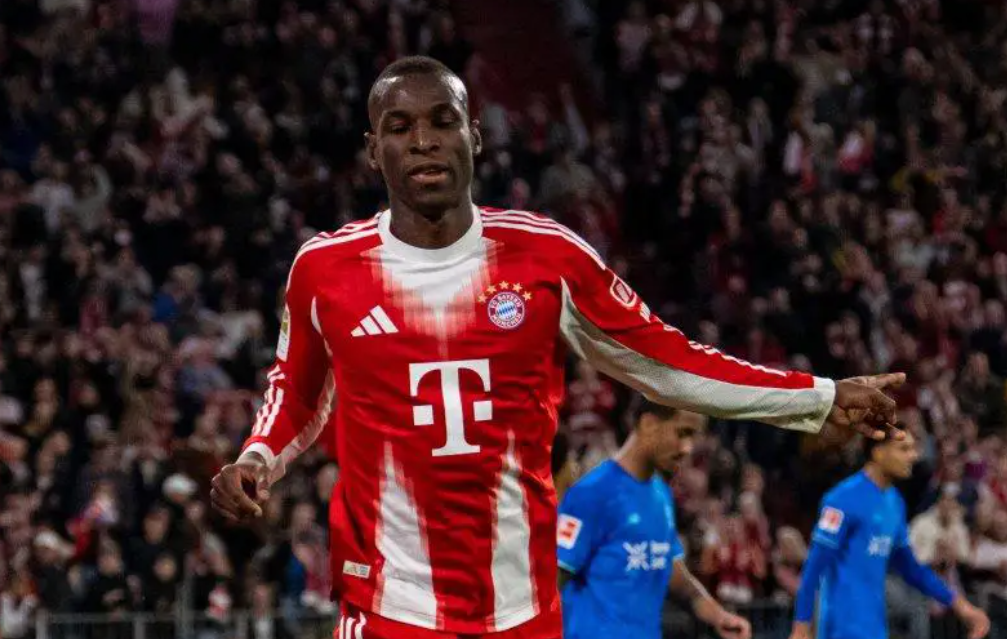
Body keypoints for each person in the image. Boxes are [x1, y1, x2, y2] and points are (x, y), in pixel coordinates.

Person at [210, 55, 906, 639]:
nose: (423, 141)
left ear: (474, 136)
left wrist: (817, 395)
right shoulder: (324, 269)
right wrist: (257, 456)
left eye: (442, 121)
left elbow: (666, 361)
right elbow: (296, 391)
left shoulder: (546, 256)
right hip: (388, 606)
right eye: (400, 127)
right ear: (372, 150)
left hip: (523, 607)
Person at [557, 399, 752, 639]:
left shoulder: (661, 494)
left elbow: (672, 570)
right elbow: (553, 579)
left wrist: (719, 616)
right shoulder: (592, 494)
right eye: (682, 433)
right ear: (649, 424)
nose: (687, 448)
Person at [788, 433, 990, 639]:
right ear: (878, 452)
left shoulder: (894, 503)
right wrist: (801, 626)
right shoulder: (842, 499)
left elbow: (911, 568)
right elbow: (814, 566)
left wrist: (959, 604)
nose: (913, 456)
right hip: (840, 629)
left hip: (875, 629)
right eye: (904, 449)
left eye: (913, 449)